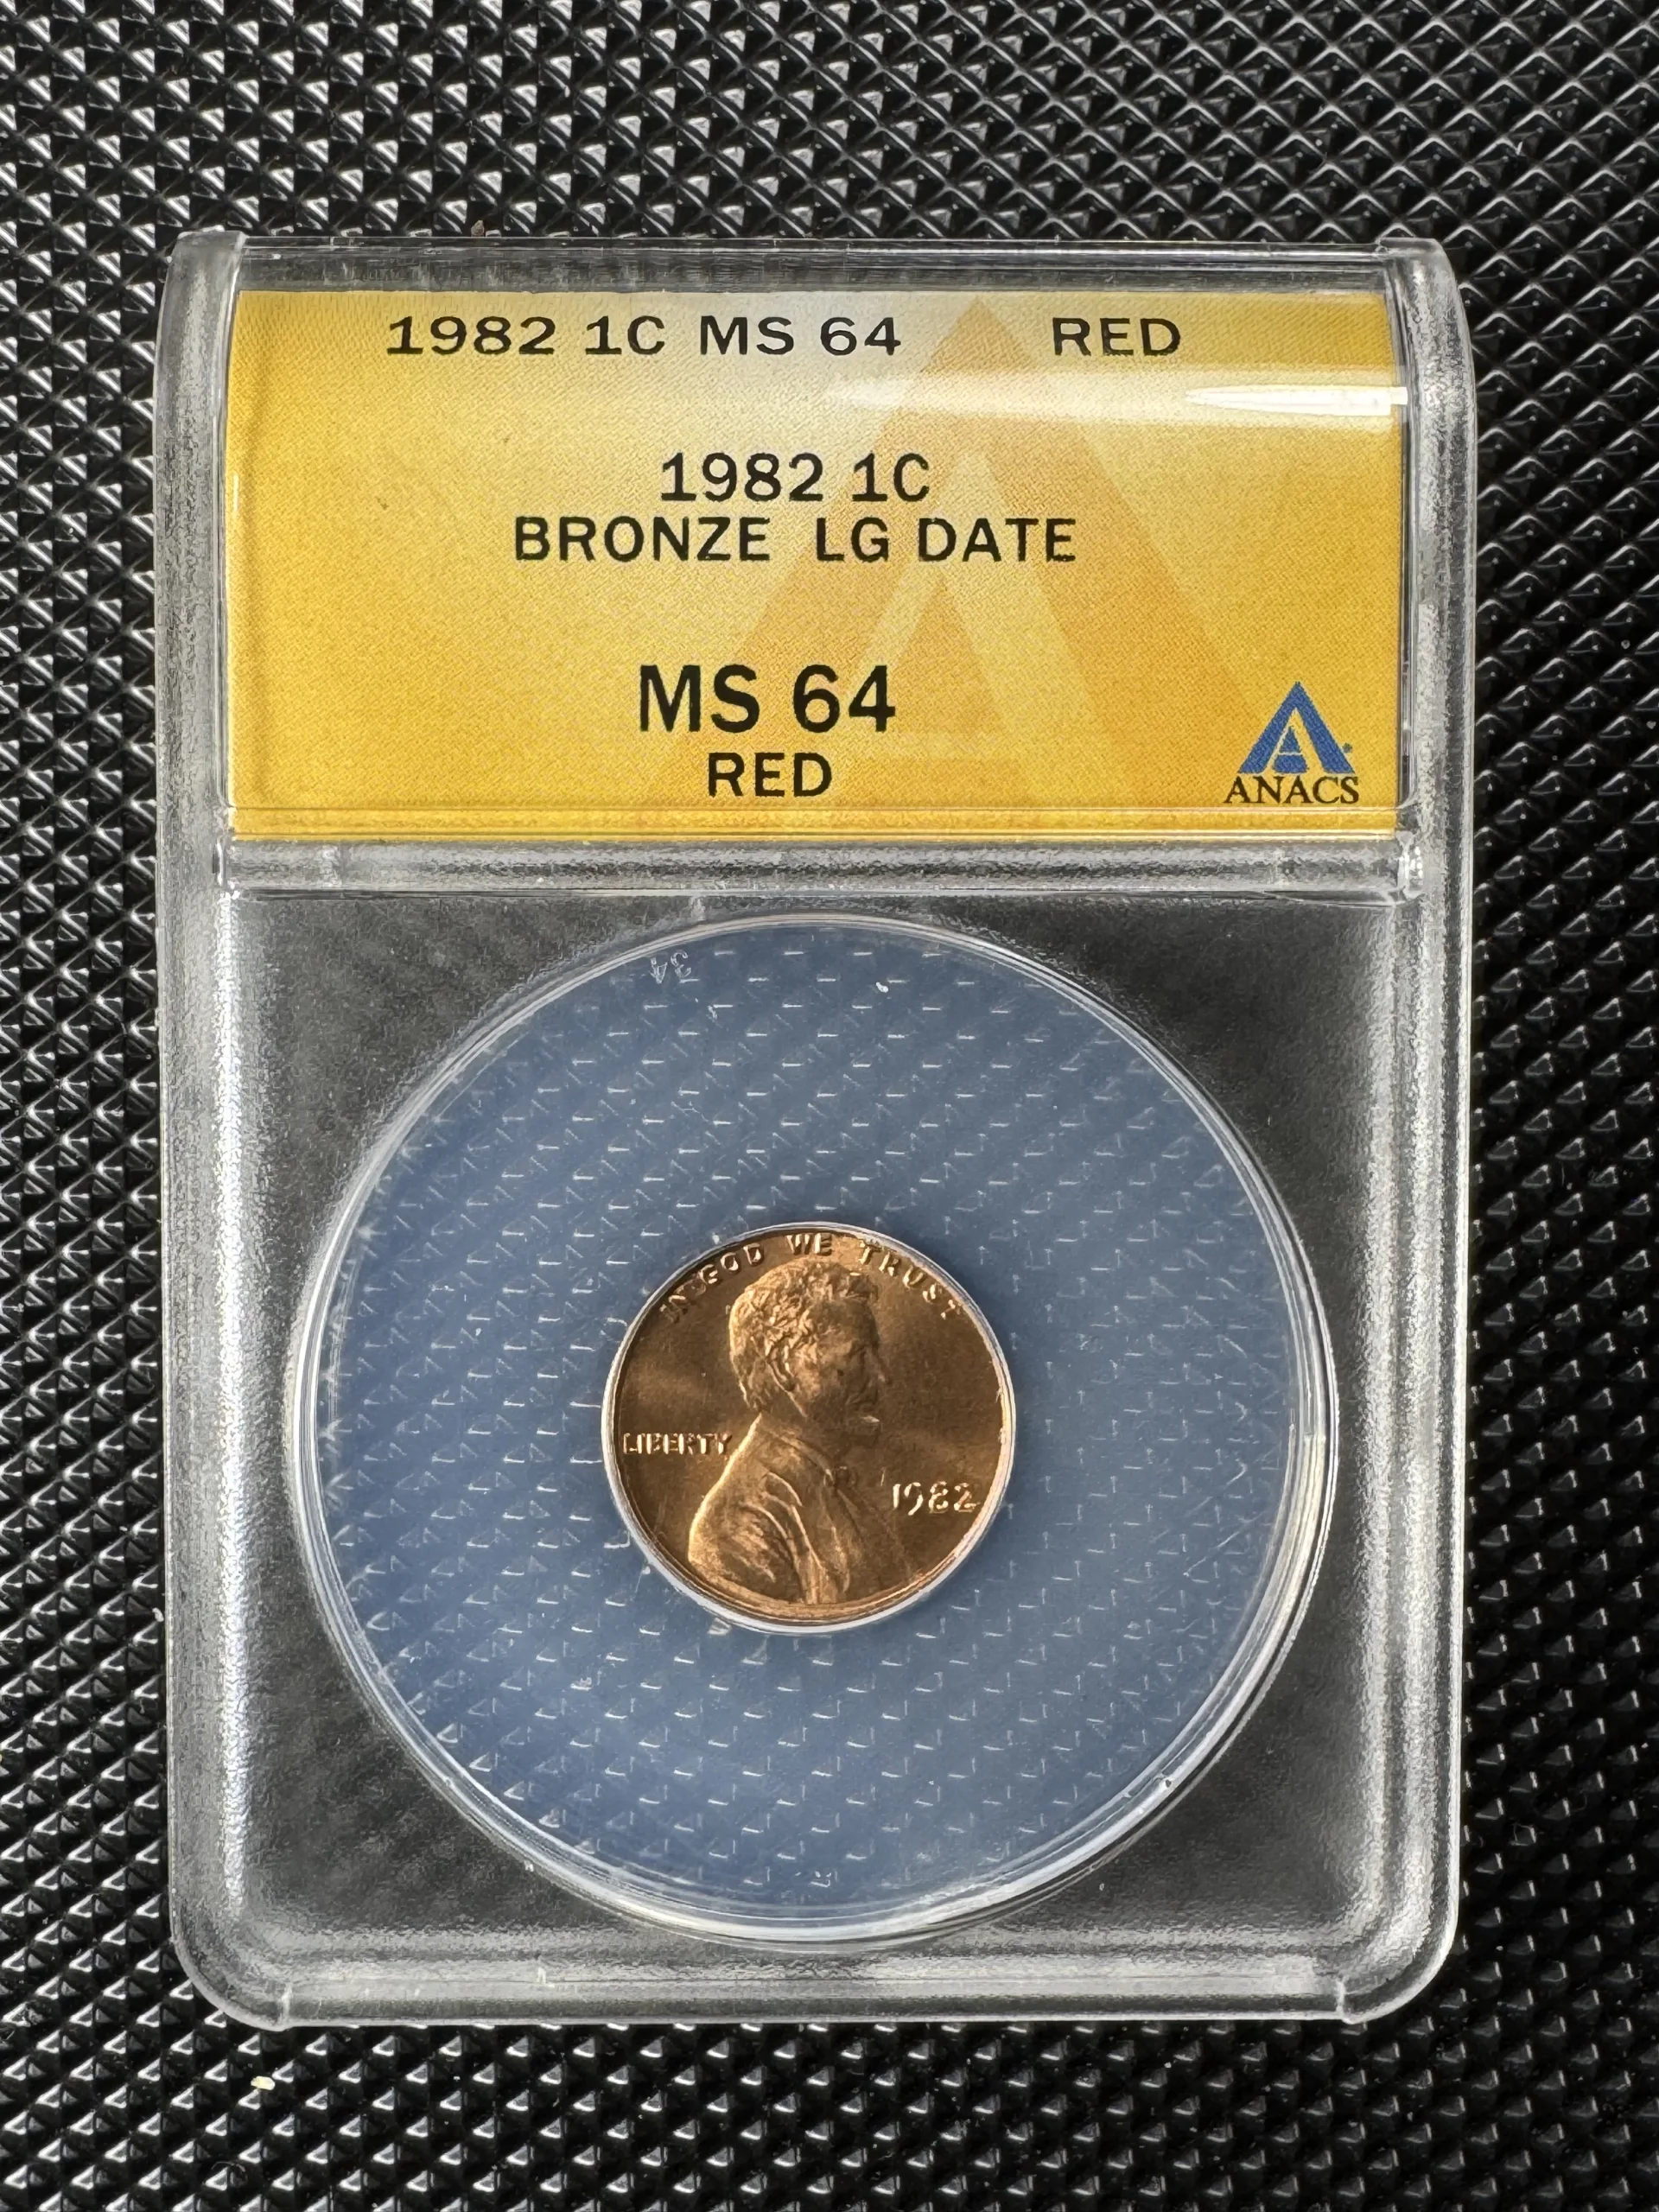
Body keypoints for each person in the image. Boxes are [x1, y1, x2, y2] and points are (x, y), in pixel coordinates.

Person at [687, 1256, 912, 1611]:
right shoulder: (740, 1527)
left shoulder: (838, 1487)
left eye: (875, 1354)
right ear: (783, 1367)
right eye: (857, 1355)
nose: (883, 1376)